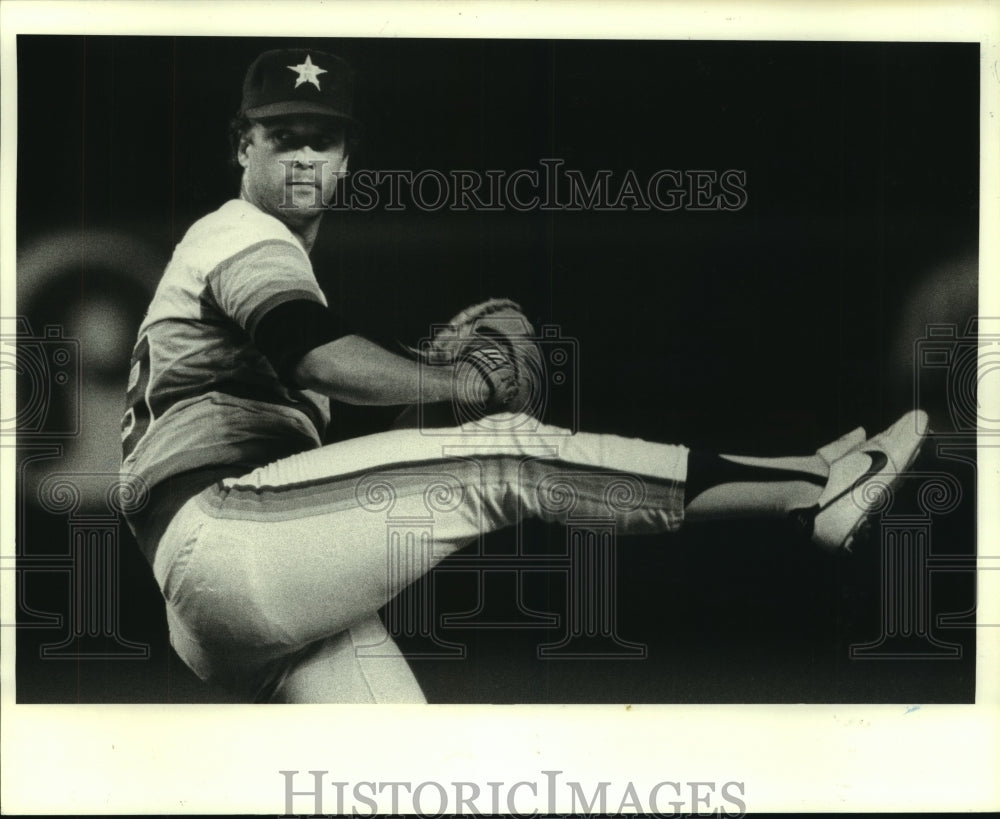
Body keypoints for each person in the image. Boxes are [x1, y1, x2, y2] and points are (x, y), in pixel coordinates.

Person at [119, 47, 928, 703]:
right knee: (513, 455)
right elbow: (317, 352)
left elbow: (334, 463)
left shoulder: (263, 260)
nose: (302, 153)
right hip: (223, 536)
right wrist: (457, 383)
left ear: (346, 158)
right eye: (281, 133)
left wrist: (430, 390)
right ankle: (812, 486)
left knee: (396, 779)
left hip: (234, 590)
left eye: (320, 138)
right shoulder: (240, 233)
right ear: (241, 145)